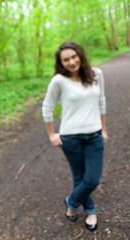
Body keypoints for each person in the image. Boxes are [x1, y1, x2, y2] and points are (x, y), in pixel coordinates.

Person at [42, 41, 108, 231]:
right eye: (66, 60)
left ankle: (71, 203)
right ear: (60, 63)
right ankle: (91, 210)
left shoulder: (96, 74)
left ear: (80, 55)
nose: (71, 62)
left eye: (73, 57)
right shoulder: (59, 81)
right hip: (71, 138)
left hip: (95, 135)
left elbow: (102, 101)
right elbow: (47, 107)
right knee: (80, 177)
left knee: (92, 179)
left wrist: (104, 129)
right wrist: (52, 134)